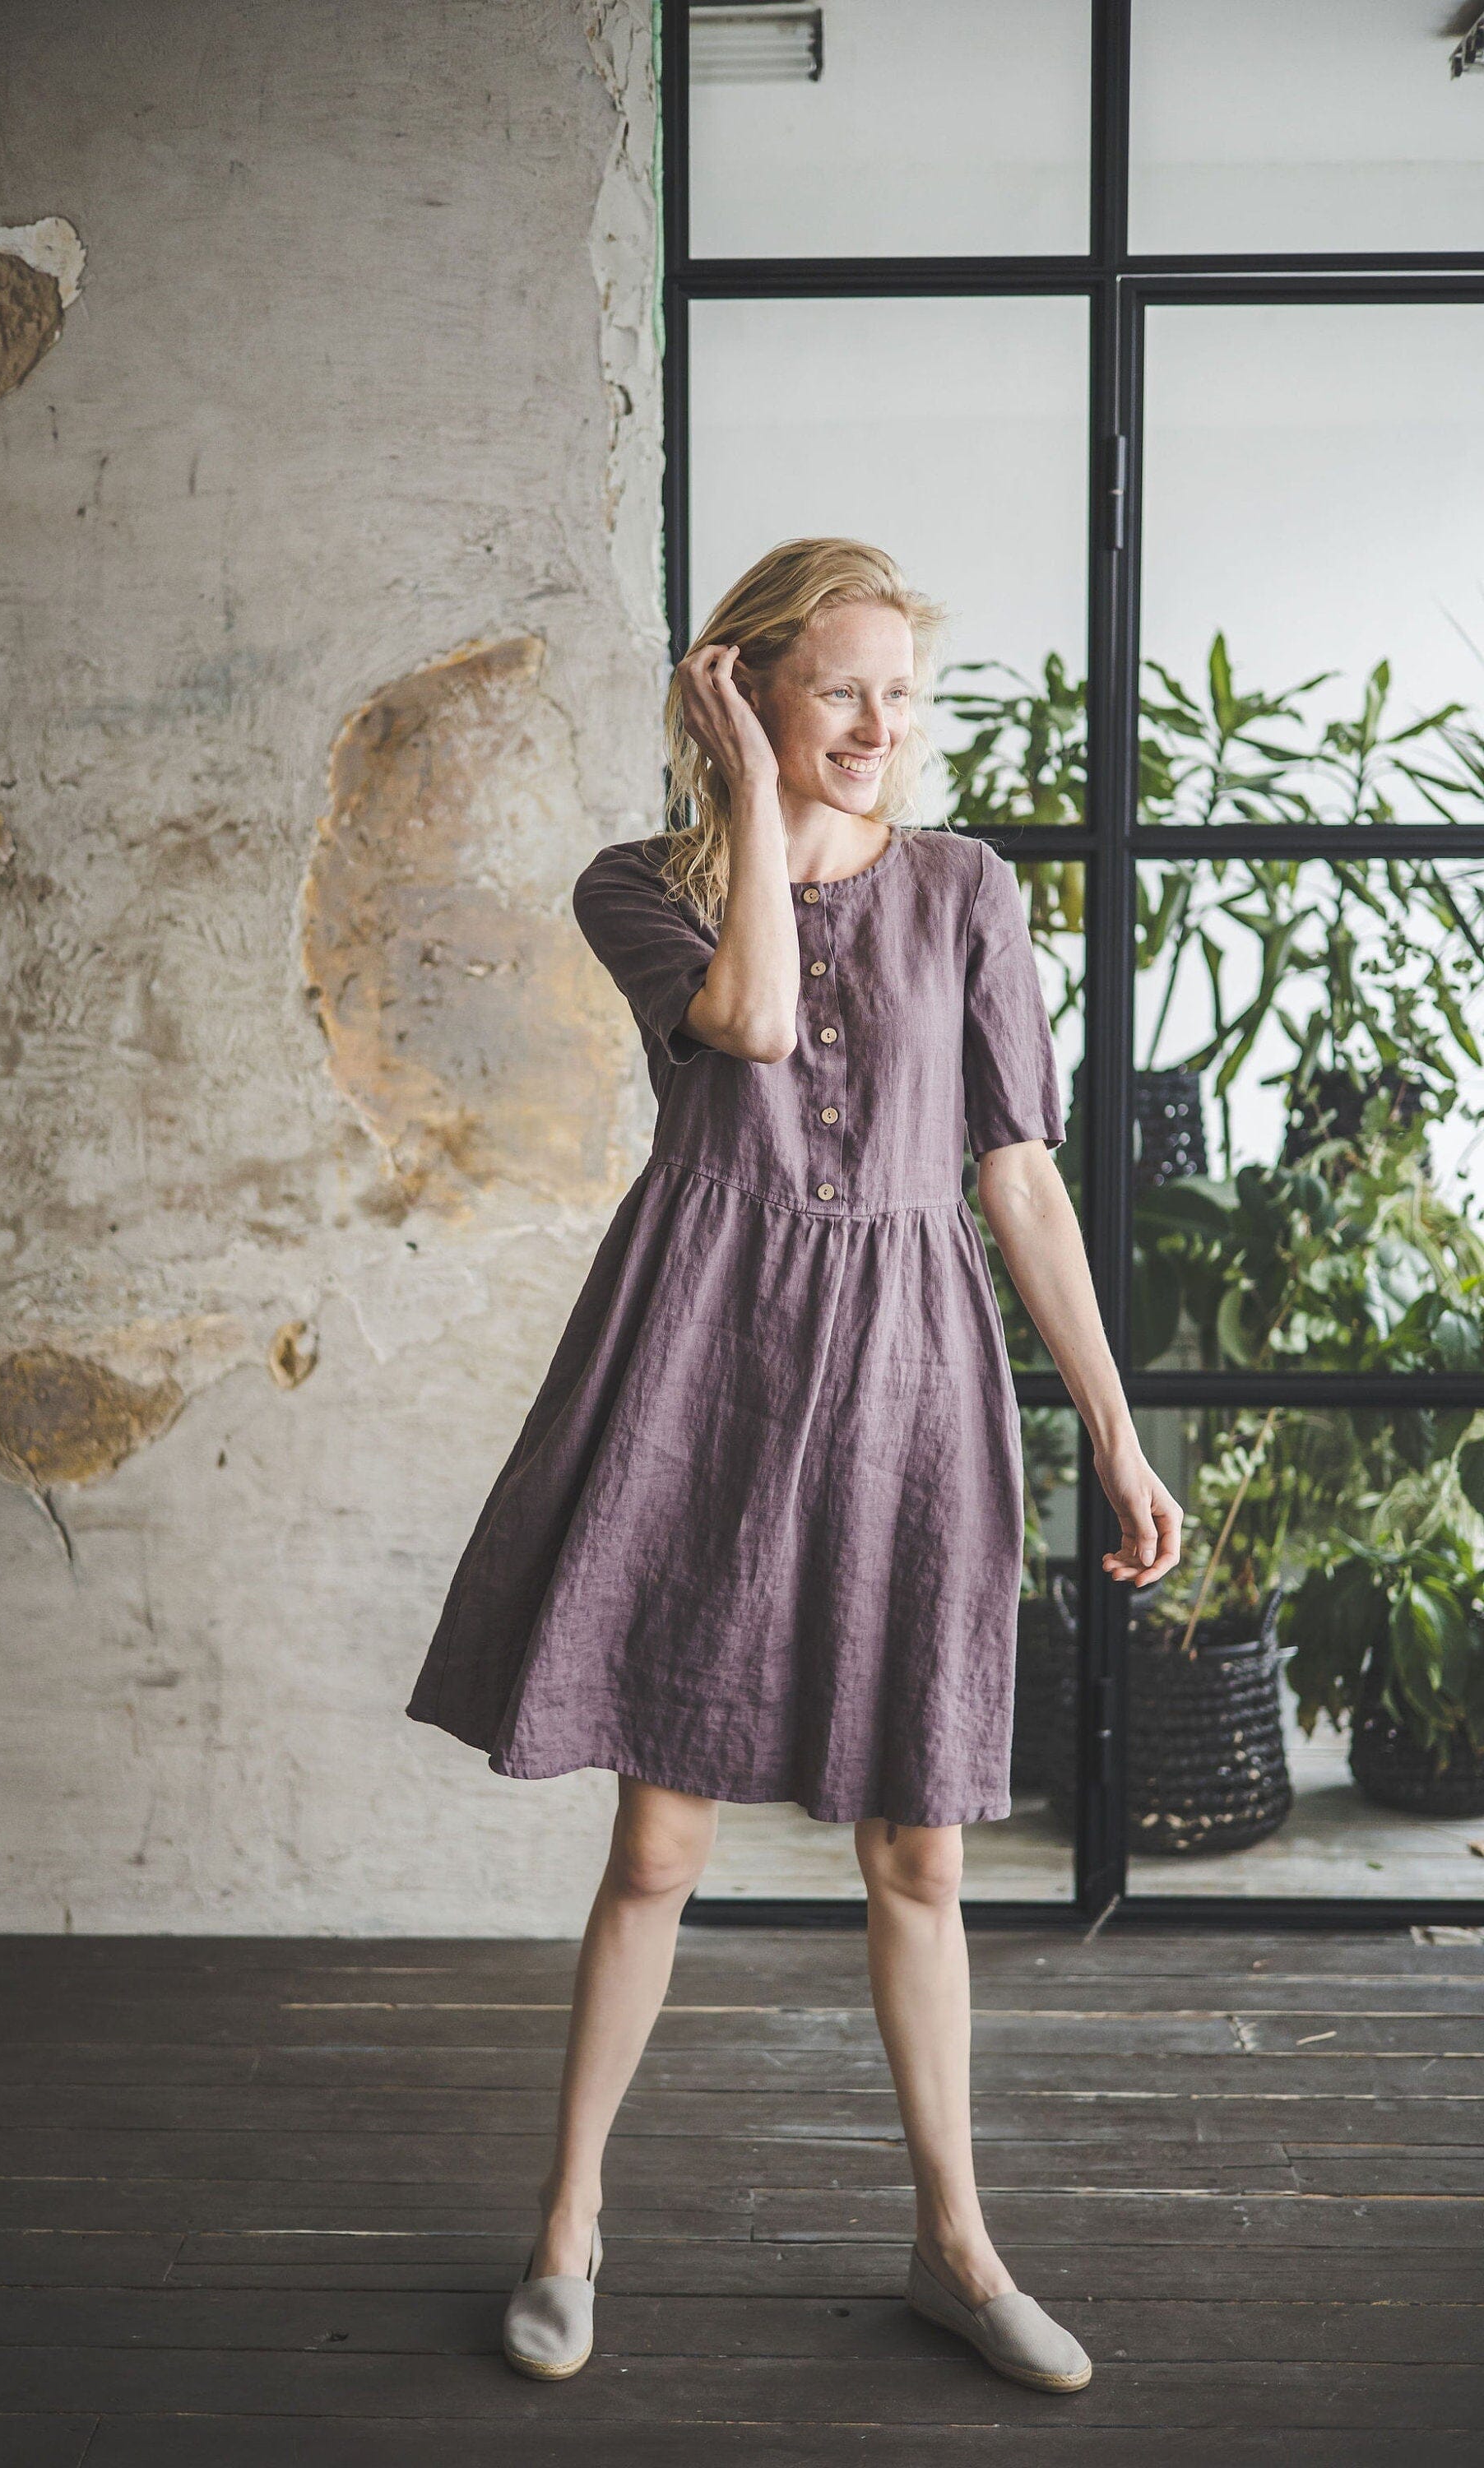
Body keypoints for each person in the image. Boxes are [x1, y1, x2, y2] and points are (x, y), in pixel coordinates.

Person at [406, 537, 1182, 2394]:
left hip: (914, 1368)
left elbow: (1014, 1173)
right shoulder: (642, 886)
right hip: (713, 1363)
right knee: (660, 1839)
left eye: (901, 695)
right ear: (743, 685)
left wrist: (1114, 1426)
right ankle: (571, 2224)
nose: (878, 727)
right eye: (838, 687)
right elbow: (750, 1025)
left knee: (918, 1844)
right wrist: (753, 796)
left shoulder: (968, 889)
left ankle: (954, 2245)